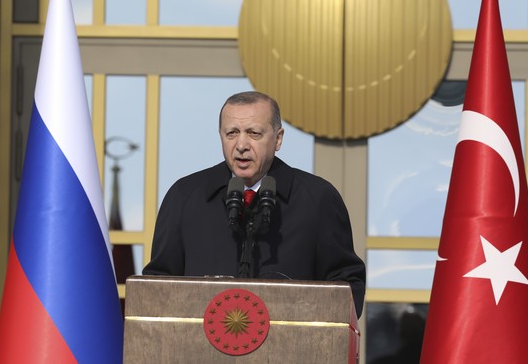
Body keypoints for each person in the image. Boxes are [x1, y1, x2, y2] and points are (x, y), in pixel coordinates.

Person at [143, 91, 366, 317]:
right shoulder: (184, 197)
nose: (241, 145)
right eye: (232, 133)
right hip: (197, 348)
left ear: (278, 139)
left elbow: (347, 288)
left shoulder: (318, 199)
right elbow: (157, 287)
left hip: (291, 349)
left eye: (254, 133)